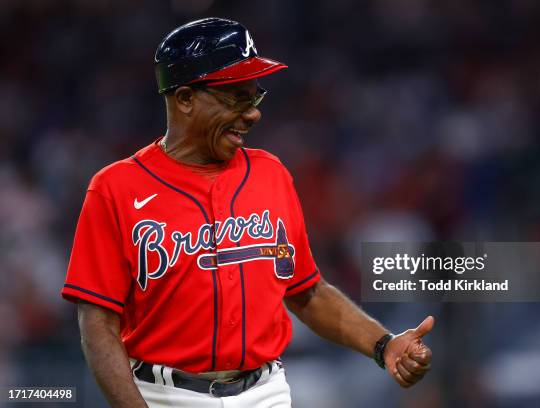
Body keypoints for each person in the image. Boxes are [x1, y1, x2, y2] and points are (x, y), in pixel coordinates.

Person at [61, 17, 434, 408]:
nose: (252, 114)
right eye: (234, 98)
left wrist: (384, 345)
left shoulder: (270, 174)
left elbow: (307, 292)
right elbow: (98, 324)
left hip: (266, 392)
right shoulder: (115, 188)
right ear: (185, 99)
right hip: (162, 395)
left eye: (254, 97)